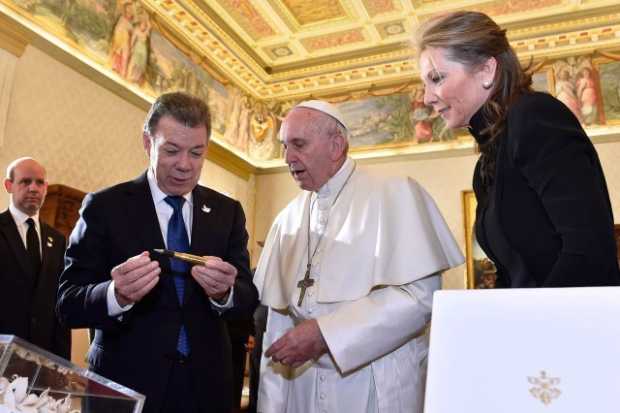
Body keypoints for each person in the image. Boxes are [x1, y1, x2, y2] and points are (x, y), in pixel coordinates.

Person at [253, 100, 464, 412]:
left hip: (375, 384)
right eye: (285, 146)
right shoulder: (287, 220)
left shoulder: (394, 192)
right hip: (302, 390)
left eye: (299, 144)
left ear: (336, 145)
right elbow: (278, 325)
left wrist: (327, 334)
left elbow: (420, 296)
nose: (287, 158)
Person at [57, 92, 259, 413]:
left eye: (197, 153)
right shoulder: (105, 207)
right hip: (125, 385)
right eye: (172, 150)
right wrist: (116, 294)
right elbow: (67, 303)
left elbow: (247, 298)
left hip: (206, 389)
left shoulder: (227, 212)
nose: (185, 165)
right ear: (147, 143)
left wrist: (225, 293)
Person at [416, 11, 620, 287]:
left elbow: (587, 250)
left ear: (486, 70)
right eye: (425, 84)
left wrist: (531, 315)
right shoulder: (487, 163)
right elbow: (513, 275)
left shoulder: (535, 116)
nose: (427, 98)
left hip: (575, 313)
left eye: (437, 78)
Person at [0, 157, 71, 359]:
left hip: (41, 358)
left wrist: (60, 363)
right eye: (25, 181)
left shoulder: (57, 240)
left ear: (45, 188)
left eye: (39, 183)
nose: (33, 188)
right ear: (9, 185)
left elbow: (59, 305)